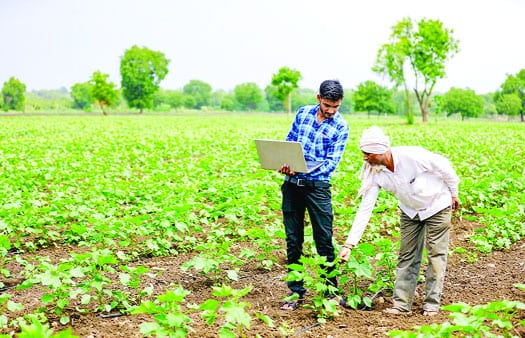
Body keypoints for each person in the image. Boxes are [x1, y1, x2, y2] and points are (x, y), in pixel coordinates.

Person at [338, 126, 460, 316]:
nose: (364, 158)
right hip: (410, 211)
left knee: (436, 255)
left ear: (381, 151)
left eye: (367, 154)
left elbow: (445, 169)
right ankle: (401, 304)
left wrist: (454, 194)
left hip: (437, 204)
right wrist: (349, 244)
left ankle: (431, 304)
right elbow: (365, 209)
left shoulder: (412, 156)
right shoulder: (374, 172)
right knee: (407, 256)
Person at [278, 79, 349, 310]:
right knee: (293, 240)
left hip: (317, 188)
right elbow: (290, 141)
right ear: (319, 98)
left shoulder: (340, 127)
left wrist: (305, 168)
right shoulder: (303, 113)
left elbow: (331, 163)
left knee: (324, 240)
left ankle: (330, 291)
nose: (330, 111)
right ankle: (295, 292)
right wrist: (286, 163)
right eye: (327, 105)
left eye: (335, 106)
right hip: (291, 184)